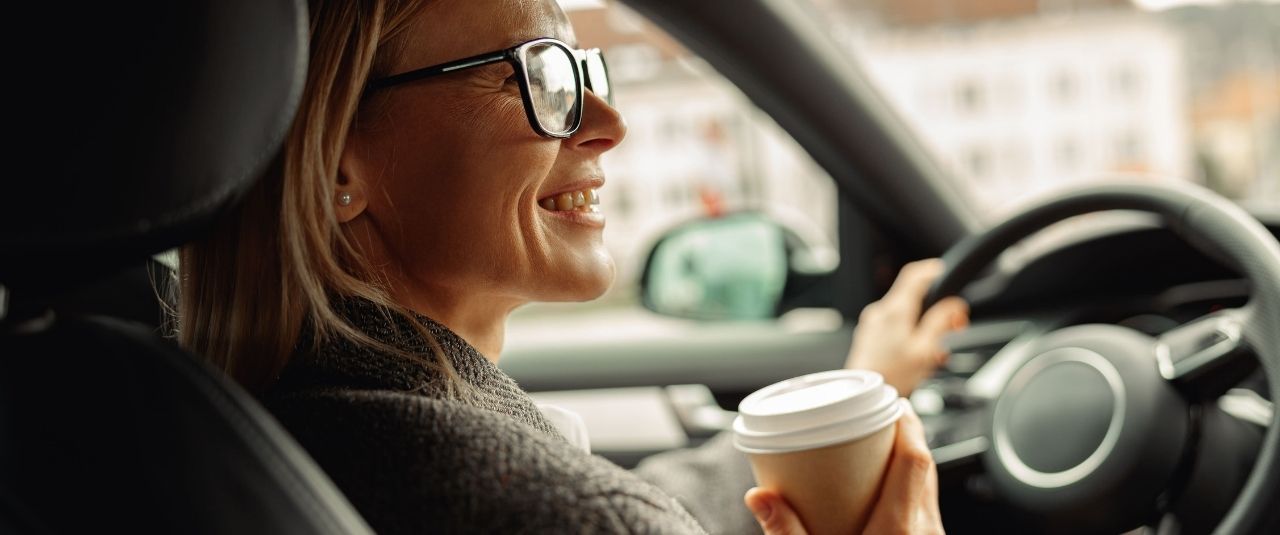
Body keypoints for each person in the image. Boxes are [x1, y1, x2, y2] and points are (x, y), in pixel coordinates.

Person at [177, 0, 969, 533]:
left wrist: (863, 389)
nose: (609, 125)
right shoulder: (564, 511)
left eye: (582, 72)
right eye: (538, 76)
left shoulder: (255, 415)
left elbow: (613, 490)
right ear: (338, 165)